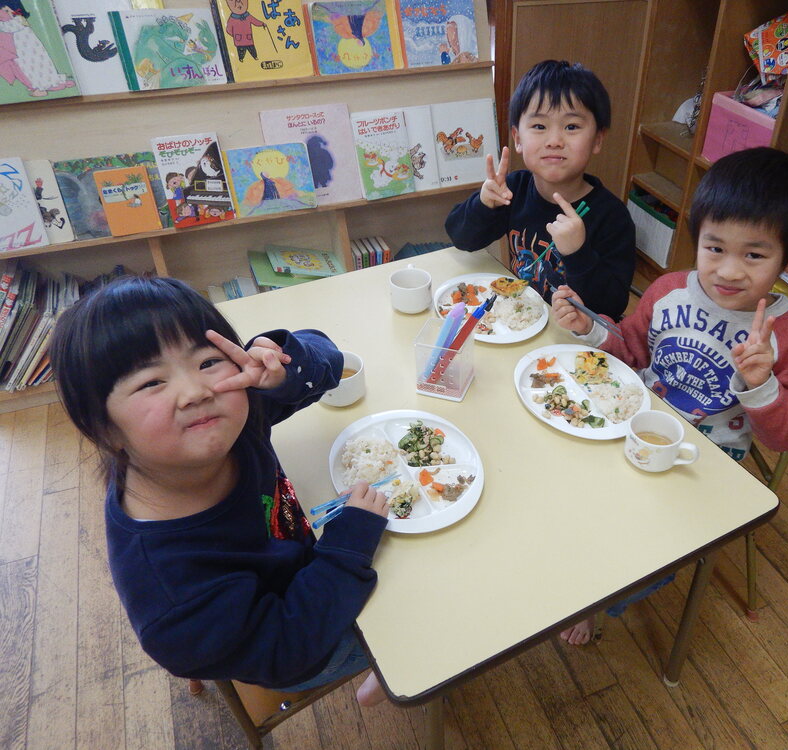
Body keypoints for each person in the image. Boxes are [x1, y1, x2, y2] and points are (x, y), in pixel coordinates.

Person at [49, 276, 390, 704]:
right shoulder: (170, 599)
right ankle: (390, 667)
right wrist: (347, 547)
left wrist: (282, 372)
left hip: (309, 560)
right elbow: (290, 650)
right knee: (427, 601)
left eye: (208, 361)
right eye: (151, 382)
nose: (196, 391)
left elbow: (330, 363)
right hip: (307, 637)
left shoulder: (229, 419)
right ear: (102, 428)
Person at [552, 147, 788, 644]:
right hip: (636, 422)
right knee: (572, 493)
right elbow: (629, 348)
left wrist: (762, 386)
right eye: (715, 248)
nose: (729, 271)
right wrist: (591, 327)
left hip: (706, 459)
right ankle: (580, 587)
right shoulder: (670, 290)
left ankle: (600, 597)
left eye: (754, 255)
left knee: (655, 552)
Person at [445, 59, 636, 321]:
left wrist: (578, 252)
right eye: (539, 126)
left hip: (573, 340)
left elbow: (611, 307)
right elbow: (461, 238)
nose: (555, 141)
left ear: (598, 139)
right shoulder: (514, 190)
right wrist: (484, 203)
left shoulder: (612, 216)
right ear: (518, 138)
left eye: (571, 127)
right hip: (518, 321)